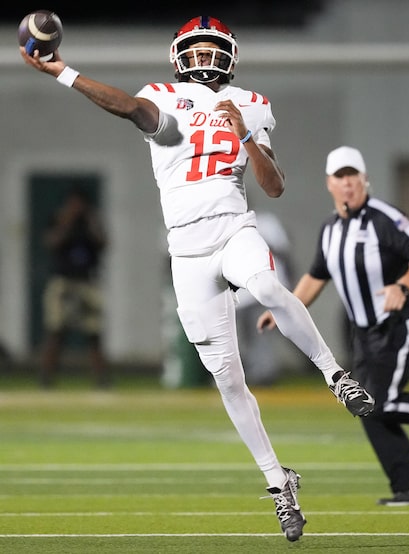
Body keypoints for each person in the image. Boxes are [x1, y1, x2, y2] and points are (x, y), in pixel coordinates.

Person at [20, 16, 375, 543]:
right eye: (198, 49)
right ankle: (280, 483)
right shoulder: (161, 94)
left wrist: (247, 133)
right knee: (228, 380)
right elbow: (130, 108)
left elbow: (273, 187)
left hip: (234, 226)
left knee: (269, 287)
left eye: (214, 50)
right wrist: (63, 73)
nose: (206, 57)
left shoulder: (252, 103)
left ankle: (335, 376)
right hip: (185, 247)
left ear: (229, 56)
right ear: (180, 54)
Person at [258, 146, 409, 506]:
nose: (347, 184)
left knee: (378, 405)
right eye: (340, 178)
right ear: (330, 183)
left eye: (353, 176)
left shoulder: (384, 219)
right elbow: (316, 276)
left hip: (399, 321)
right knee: (365, 406)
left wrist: (402, 287)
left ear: (365, 179)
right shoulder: (330, 229)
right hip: (364, 331)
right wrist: (282, 307)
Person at [39, 187, 109, 389]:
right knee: (55, 331)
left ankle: (101, 379)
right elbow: (51, 242)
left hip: (87, 281)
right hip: (63, 281)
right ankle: (46, 377)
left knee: (94, 333)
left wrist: (91, 221)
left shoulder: (91, 222)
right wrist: (67, 221)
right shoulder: (59, 219)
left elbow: (104, 243)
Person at [234, 210, 295, 385]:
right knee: (255, 332)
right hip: (245, 293)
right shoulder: (227, 225)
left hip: (268, 286)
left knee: (264, 331)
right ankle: (261, 371)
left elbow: (283, 251)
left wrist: (292, 283)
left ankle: (264, 373)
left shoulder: (266, 221)